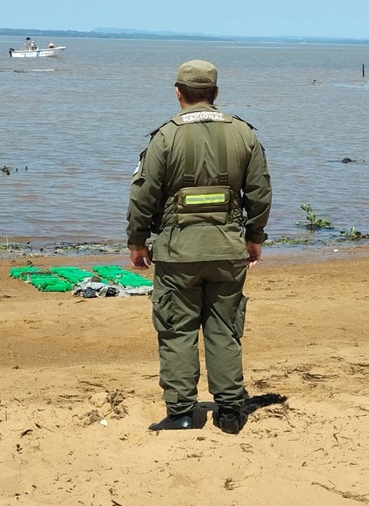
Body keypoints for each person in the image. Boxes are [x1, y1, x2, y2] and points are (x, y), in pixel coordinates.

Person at [126, 60, 272, 435]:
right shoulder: (243, 133)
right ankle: (229, 411)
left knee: (177, 330)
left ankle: (182, 413)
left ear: (178, 93)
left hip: (178, 253)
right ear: (216, 94)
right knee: (225, 328)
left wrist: (137, 242)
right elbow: (259, 192)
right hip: (227, 249)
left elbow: (143, 195)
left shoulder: (165, 137)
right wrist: (254, 237)